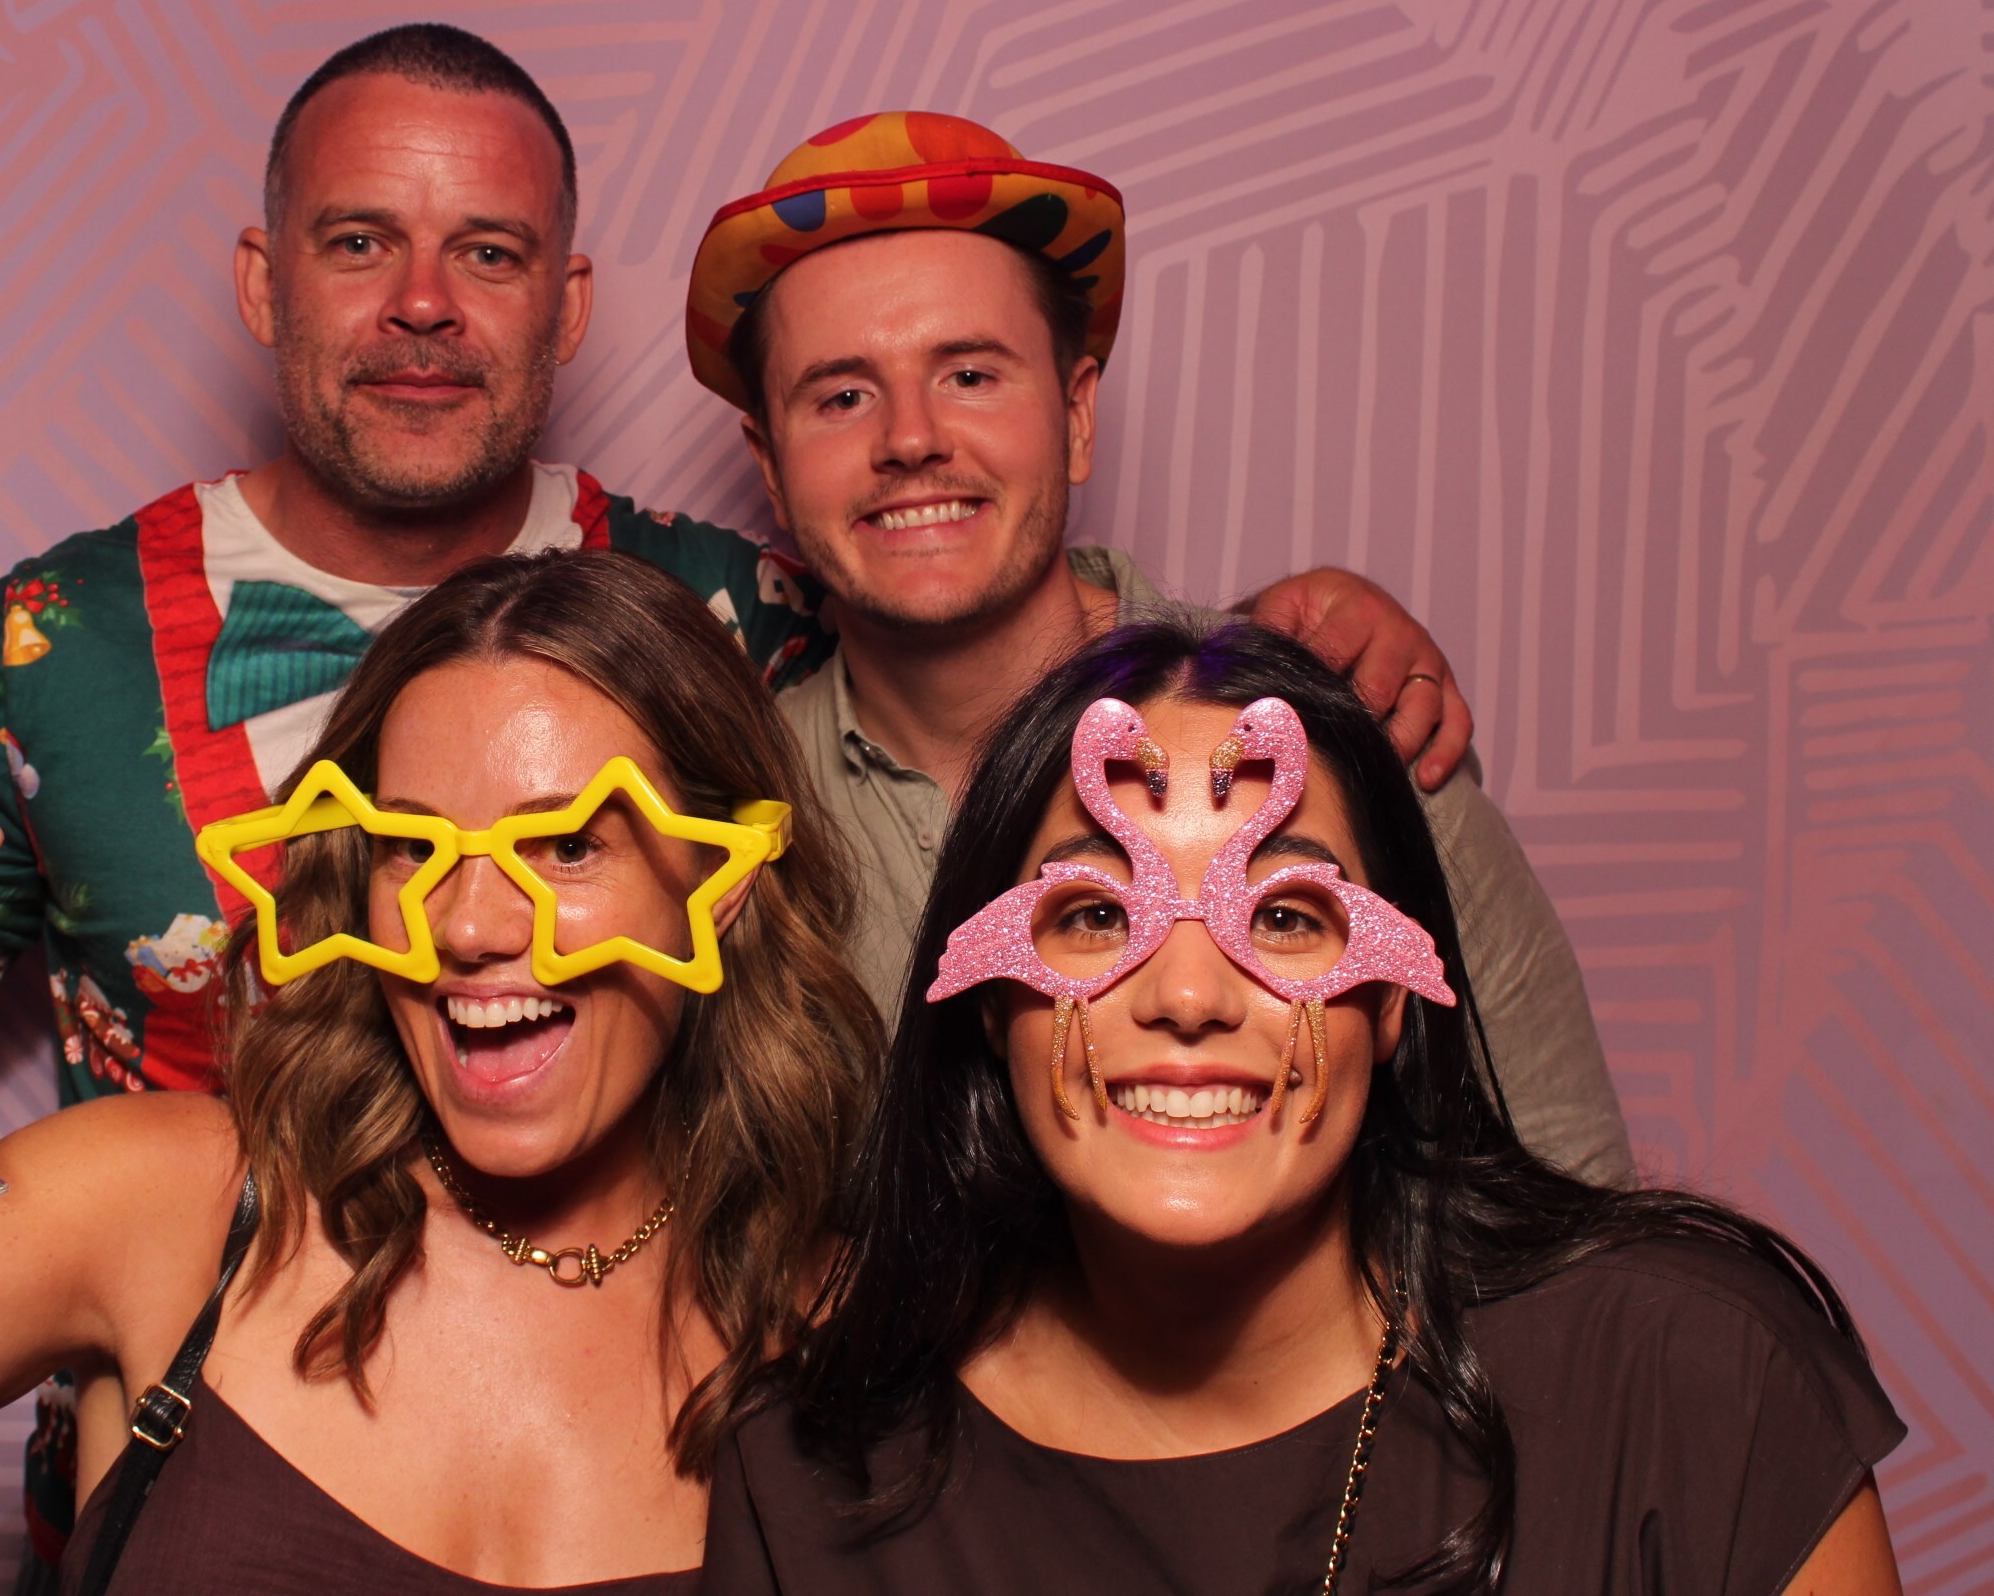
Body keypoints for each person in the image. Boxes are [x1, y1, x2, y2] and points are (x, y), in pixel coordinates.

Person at [0, 25, 1461, 1568]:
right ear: (266, 282)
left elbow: (987, 633)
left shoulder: (746, 608)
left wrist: (1278, 657)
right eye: (358, 243)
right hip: (189, 1404)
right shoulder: (54, 676)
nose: (420, 303)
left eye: (486, 252)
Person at [0, 549, 882, 1596]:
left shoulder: (859, 1334)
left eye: (569, 844)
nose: (466, 926)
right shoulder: (176, 1208)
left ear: (727, 888)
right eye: (410, 847)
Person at [703, 618, 1902, 1594]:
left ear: (1392, 1001)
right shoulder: (814, 1474)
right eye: (1096, 916)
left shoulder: (1689, 1380)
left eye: (1282, 917)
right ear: (987, 1002)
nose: (1187, 997)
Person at [685, 113, 1633, 1184]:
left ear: (1077, 415)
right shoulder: (723, 826)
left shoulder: (1330, 734)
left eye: (971, 375)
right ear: (769, 464)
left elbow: (1578, 1211)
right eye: (842, 396)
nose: (910, 438)